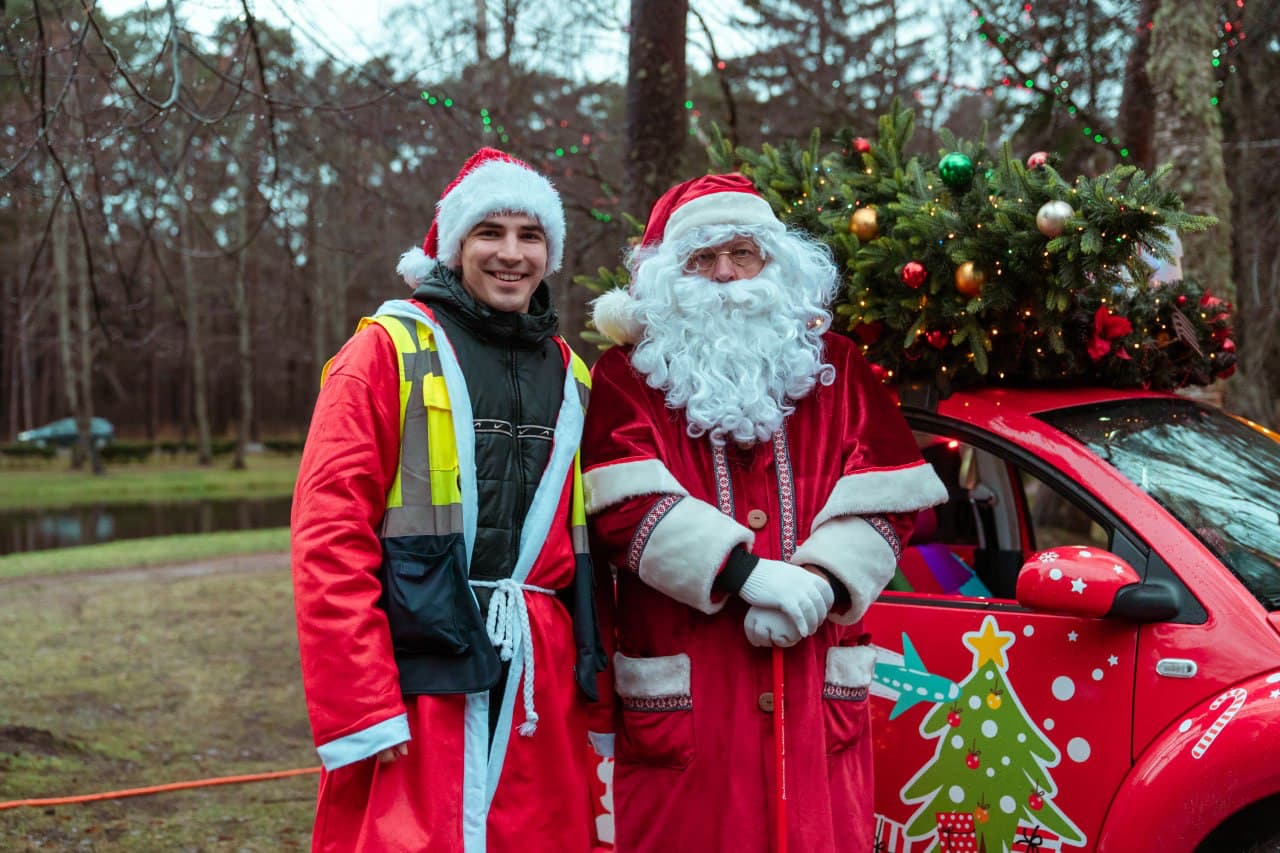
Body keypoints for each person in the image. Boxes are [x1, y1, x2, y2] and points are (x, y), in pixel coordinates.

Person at [583, 173, 947, 852]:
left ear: (774, 265)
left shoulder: (837, 367)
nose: (726, 275)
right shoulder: (626, 377)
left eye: (742, 253)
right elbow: (620, 506)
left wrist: (824, 582)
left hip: (815, 692)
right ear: (670, 276)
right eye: (702, 258)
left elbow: (892, 496)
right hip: (688, 704)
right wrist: (747, 573)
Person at [291, 147, 605, 853]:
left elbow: (589, 548)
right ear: (454, 244)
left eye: (531, 236)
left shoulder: (574, 373)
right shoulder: (384, 352)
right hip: (417, 674)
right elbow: (328, 536)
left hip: (537, 684)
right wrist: (361, 706)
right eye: (489, 232)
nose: (511, 254)